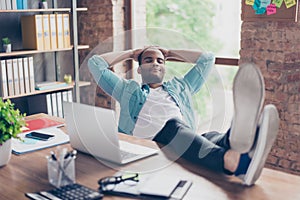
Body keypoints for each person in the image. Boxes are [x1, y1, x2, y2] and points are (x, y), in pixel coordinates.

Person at [88, 46, 279, 186]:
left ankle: (236, 141)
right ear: (139, 69)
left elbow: (207, 59)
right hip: (152, 146)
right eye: (148, 60)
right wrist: (131, 54)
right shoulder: (127, 89)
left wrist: (170, 52)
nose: (155, 63)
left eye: (160, 61)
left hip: (183, 140)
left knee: (210, 136)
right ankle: (233, 160)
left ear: (165, 68)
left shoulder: (181, 87)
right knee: (174, 126)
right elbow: (95, 63)